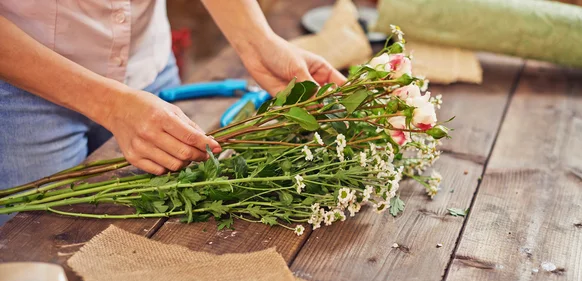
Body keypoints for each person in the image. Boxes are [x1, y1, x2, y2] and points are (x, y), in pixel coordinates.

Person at [0, 0, 346, 191]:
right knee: (41, 261)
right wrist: (109, 104)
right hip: (24, 91)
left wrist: (259, 42)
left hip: (145, 64)